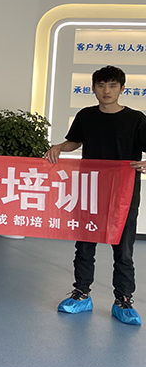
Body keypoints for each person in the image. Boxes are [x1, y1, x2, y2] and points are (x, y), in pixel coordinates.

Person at [45, 65, 146, 325]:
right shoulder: (86, 116)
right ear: (93, 88)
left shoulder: (136, 119)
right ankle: (81, 294)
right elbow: (75, 141)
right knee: (85, 244)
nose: (106, 91)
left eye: (112, 86)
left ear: (122, 89)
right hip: (90, 190)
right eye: (101, 85)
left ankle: (123, 300)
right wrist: (58, 147)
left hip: (124, 193)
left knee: (123, 248)